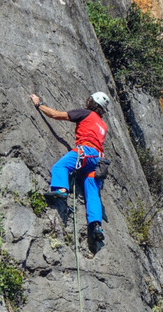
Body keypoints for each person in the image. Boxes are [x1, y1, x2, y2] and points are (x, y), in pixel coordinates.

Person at [29, 91, 110, 242]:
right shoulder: (103, 125)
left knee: (60, 167)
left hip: (85, 152)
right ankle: (96, 225)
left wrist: (39, 104)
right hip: (98, 161)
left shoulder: (85, 114)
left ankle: (60, 189)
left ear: (91, 102)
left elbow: (56, 115)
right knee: (92, 193)